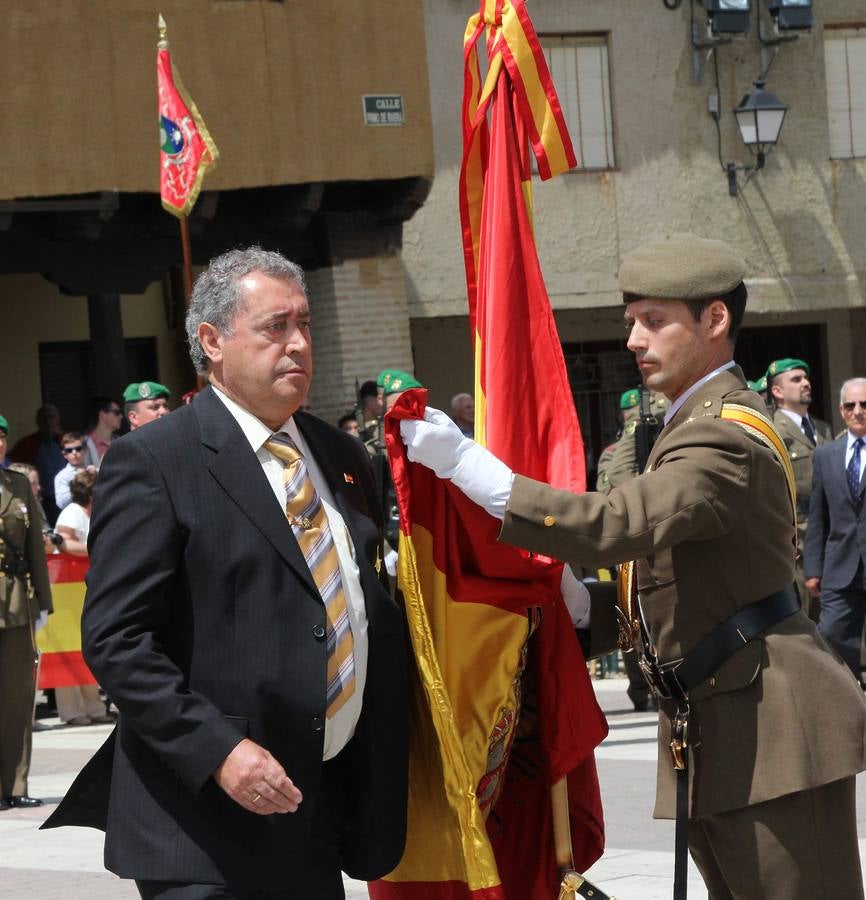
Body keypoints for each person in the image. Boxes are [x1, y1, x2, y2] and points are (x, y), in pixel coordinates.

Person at [400, 234, 866, 898]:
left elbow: (616, 525)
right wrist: (578, 606)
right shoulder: (684, 426)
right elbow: (671, 576)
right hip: (726, 725)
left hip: (773, 731)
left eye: (655, 320)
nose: (634, 340)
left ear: (714, 320)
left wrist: (468, 466)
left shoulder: (722, 434)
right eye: (630, 322)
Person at [44, 247, 408, 899]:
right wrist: (219, 751)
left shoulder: (342, 456)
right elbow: (117, 640)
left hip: (315, 813)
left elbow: (356, 602)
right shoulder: (156, 460)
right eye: (275, 326)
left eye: (305, 325)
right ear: (213, 341)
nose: (298, 344)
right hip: (201, 830)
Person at [804, 377, 866, 684]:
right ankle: (851, 702)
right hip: (840, 566)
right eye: (851, 405)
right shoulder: (825, 455)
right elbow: (818, 517)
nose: (858, 411)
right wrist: (813, 568)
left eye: (864, 404)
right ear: (841, 410)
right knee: (831, 636)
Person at [1, 448, 53, 810]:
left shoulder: (17, 485)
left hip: (16, 603)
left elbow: (35, 546)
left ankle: (15, 784)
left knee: (18, 698)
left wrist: (44, 602)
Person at [766, 357, 832, 619]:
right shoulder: (772, 430)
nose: (806, 383)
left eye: (806, 378)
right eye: (796, 379)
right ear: (777, 391)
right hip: (797, 539)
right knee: (801, 616)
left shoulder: (823, 428)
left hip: (830, 534)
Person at [53, 470, 112, 726]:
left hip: (89, 588)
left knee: (86, 646)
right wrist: (98, 550)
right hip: (67, 589)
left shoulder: (96, 512)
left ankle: (95, 707)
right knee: (67, 649)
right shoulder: (72, 512)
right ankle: (72, 711)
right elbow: (63, 543)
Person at [54, 432, 96, 511]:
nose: (74, 453)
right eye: (69, 450)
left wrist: (97, 476)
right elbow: (61, 503)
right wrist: (77, 482)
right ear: (64, 454)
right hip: (76, 517)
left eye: (78, 449)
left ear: (85, 450)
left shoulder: (93, 471)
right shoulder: (62, 476)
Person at [84, 396, 123, 467]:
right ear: (102, 415)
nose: (121, 416)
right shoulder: (85, 443)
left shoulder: (121, 442)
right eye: (116, 413)